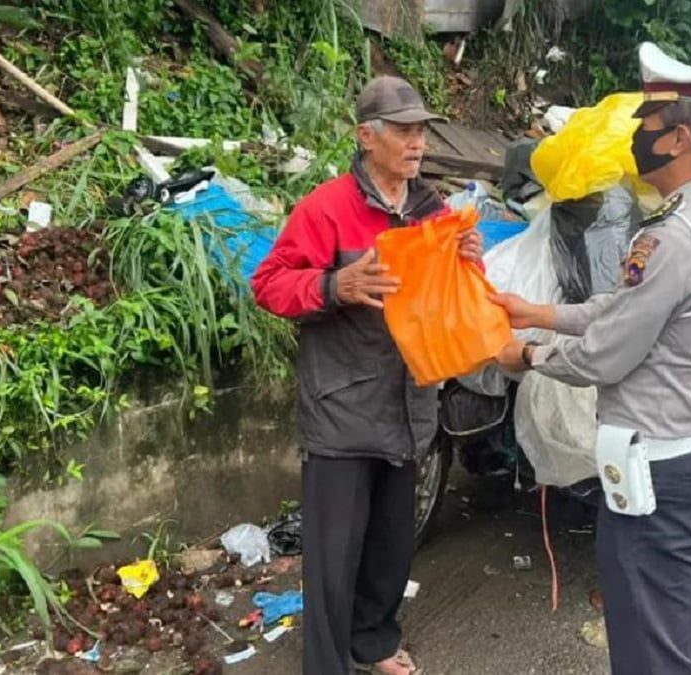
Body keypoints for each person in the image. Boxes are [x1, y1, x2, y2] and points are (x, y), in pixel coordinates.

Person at [493, 43, 691, 675]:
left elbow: (605, 356)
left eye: (646, 124)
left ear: (679, 139)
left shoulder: (675, 238)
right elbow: (626, 309)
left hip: (657, 475)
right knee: (676, 633)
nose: (635, 137)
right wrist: (541, 313)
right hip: (690, 452)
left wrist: (527, 355)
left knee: (650, 650)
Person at [252, 76, 484, 675]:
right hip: (343, 409)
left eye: (421, 131)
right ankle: (327, 664)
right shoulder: (326, 208)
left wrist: (467, 262)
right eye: (403, 131)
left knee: (390, 546)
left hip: (409, 404)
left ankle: (373, 643)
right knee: (334, 558)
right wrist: (335, 285)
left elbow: (445, 298)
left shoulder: (431, 210)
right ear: (366, 136)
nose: (417, 143)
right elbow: (269, 284)